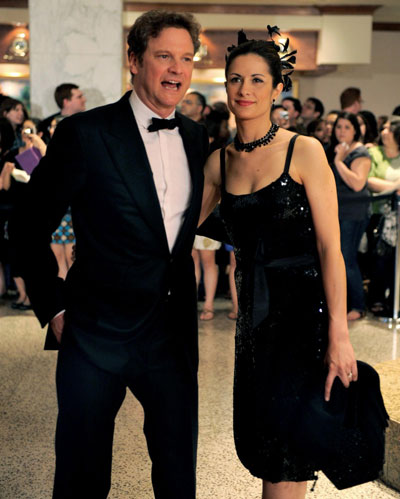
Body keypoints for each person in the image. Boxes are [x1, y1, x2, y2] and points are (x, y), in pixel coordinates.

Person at [10, 10, 208, 499]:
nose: (177, 70)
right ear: (135, 59)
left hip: (170, 336)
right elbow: (28, 226)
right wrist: (53, 307)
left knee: (178, 472)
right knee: (81, 473)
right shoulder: (86, 134)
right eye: (164, 56)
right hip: (95, 333)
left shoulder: (196, 137)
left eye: (186, 59)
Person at [199, 30, 357, 498]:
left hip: (304, 321)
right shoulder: (218, 164)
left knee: (288, 458)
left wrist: (339, 336)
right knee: (266, 445)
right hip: (253, 321)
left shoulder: (303, 150)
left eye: (256, 80)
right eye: (234, 79)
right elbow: (172, 234)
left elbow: (332, 249)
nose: (243, 90)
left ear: (276, 89)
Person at [327, 112, 371, 321]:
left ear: (355, 130)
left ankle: (358, 305)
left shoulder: (360, 152)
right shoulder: (334, 148)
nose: (341, 131)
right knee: (336, 259)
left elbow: (357, 183)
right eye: (338, 127)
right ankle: (340, 304)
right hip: (336, 211)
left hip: (353, 213)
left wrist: (338, 161)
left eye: (346, 127)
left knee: (347, 259)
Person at [367, 116, 400, 315]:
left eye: (388, 128)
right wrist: (396, 187)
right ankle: (376, 298)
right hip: (378, 214)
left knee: (396, 261)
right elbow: (370, 180)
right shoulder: (374, 152)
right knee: (379, 259)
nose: (384, 131)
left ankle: (394, 300)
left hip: (398, 217)